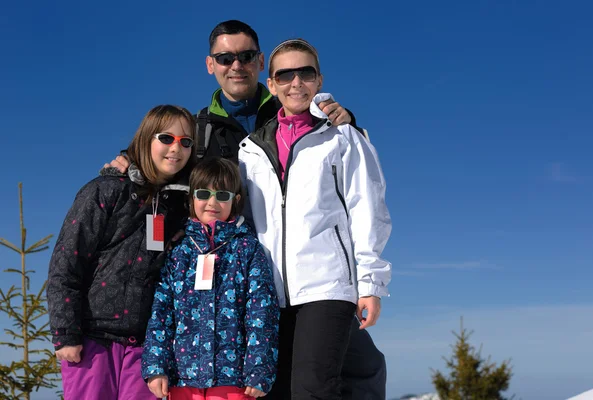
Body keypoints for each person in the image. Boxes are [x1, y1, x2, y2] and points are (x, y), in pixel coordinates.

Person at [108, 20, 388, 400]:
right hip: (240, 281)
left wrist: (344, 119)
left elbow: (358, 191)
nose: (235, 65)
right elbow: (165, 147)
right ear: (211, 64)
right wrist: (130, 158)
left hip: (313, 274)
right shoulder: (199, 127)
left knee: (356, 369)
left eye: (245, 56)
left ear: (260, 64)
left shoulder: (297, 113)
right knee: (271, 384)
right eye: (225, 57)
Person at [238, 38, 392, 400]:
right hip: (268, 293)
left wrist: (369, 283)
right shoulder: (251, 151)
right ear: (271, 85)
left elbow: (368, 209)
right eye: (285, 75)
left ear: (319, 80)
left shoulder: (342, 137)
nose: (296, 83)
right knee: (273, 391)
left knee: (313, 389)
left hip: (326, 286)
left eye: (305, 73)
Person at [47, 105, 197, 400]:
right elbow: (66, 262)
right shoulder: (106, 191)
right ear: (145, 140)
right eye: (166, 138)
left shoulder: (181, 210)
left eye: (186, 142)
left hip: (146, 347)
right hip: (92, 340)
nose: (176, 148)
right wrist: (65, 333)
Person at [142, 158, 279, 400]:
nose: (212, 202)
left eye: (222, 195)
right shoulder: (179, 252)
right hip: (183, 377)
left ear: (235, 200)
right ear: (192, 198)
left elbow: (261, 313)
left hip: (233, 379)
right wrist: (156, 366)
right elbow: (161, 314)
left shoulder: (247, 249)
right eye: (204, 194)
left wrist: (259, 370)